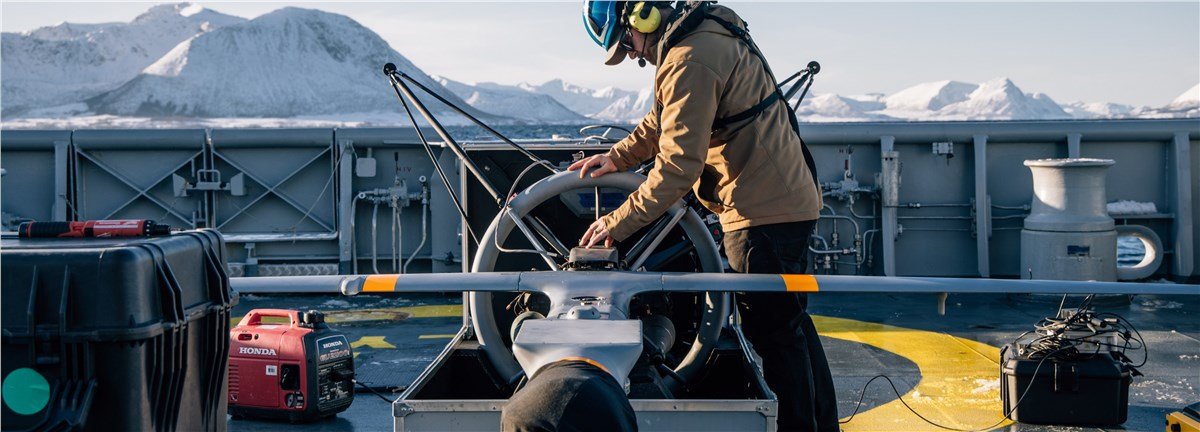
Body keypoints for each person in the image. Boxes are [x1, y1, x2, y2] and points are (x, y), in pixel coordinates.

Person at [574, 2, 838, 431]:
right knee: (791, 328)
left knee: (776, 335)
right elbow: (663, 120)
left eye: (627, 42)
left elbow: (678, 168)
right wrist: (618, 158)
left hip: (762, 214)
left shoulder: (688, 59)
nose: (634, 54)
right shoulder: (701, 36)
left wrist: (615, 224)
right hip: (781, 201)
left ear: (642, 16)